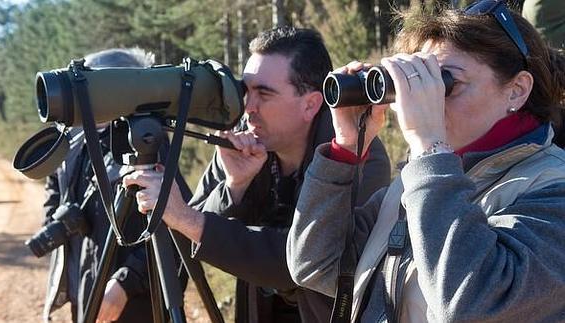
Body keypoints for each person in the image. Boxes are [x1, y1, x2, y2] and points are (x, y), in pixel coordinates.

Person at [286, 1, 565, 322]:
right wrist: (345, 148)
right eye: (420, 83)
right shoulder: (413, 186)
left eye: (445, 83)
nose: (427, 99)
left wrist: (430, 148)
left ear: (517, 90)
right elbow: (315, 266)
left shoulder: (552, 188)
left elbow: (471, 302)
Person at [123, 27, 391, 322]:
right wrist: (234, 187)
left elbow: (302, 265)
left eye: (264, 93)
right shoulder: (241, 144)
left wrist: (189, 220)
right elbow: (188, 242)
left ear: (311, 104)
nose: (248, 108)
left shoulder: (360, 153)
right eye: (245, 91)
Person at [41, 48, 159, 323]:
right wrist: (56, 220)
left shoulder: (146, 145)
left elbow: (175, 234)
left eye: (90, 86)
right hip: (85, 283)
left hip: (131, 303)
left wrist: (125, 284)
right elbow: (54, 185)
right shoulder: (75, 139)